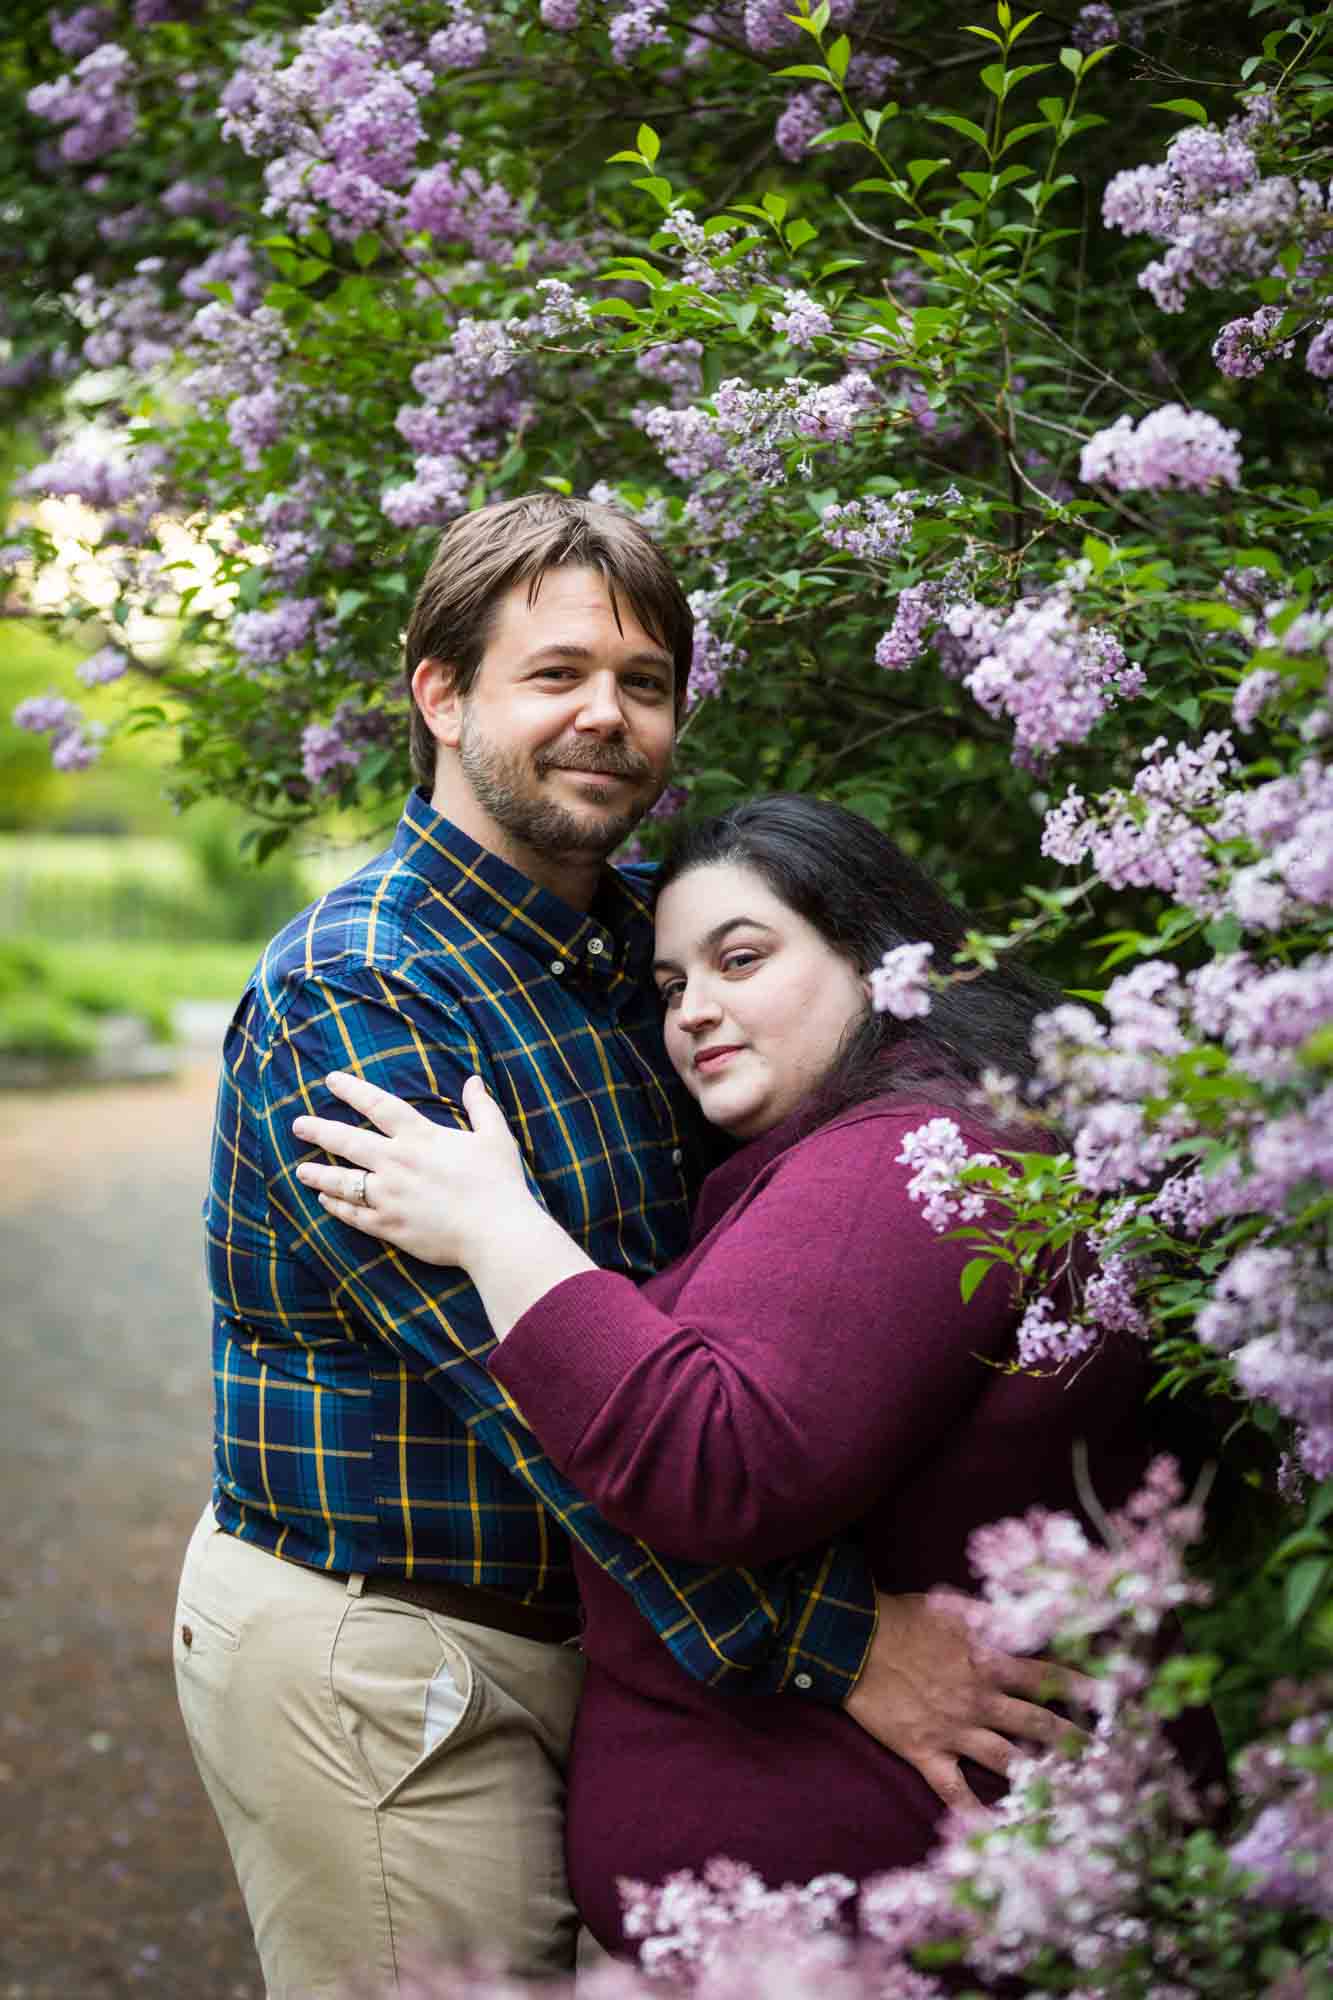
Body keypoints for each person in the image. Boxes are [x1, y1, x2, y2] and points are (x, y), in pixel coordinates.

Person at [176, 495, 1083, 1999]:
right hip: (400, 1647)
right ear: (442, 693)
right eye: (556, 674)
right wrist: (842, 1642)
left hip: (627, 1638)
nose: (606, 715)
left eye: (644, 683)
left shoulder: (658, 946)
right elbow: (535, 1397)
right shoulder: (361, 993)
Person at [291, 790, 1168, 1951]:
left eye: (740, 958)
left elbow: (714, 1458)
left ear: (876, 959)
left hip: (883, 1918)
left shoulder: (908, 1157)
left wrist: (497, 1227)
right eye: (669, 987)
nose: (694, 1009)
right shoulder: (916, 1136)